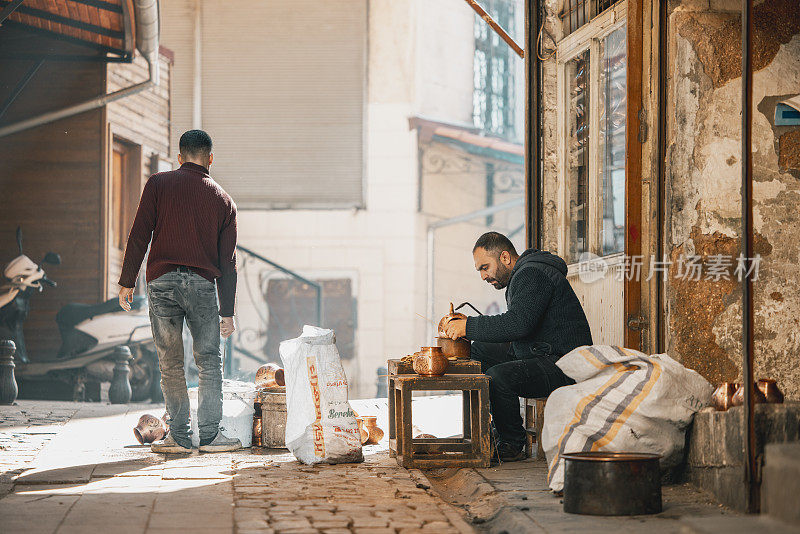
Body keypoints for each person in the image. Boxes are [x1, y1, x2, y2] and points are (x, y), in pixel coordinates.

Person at [118, 129, 240, 454]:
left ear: (179, 156)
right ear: (210, 159)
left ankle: (179, 438)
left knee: (170, 363)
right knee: (210, 363)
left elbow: (139, 234)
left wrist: (127, 280)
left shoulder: (158, 183)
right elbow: (228, 264)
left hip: (161, 284)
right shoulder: (224, 200)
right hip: (202, 286)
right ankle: (212, 437)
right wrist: (227, 312)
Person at [442, 232, 593, 462]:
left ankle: (511, 441)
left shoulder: (532, 273)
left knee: (499, 376)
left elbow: (517, 324)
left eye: (485, 267)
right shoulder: (523, 274)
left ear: (504, 257)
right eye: (480, 270)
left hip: (564, 363)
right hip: (539, 350)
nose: (483, 276)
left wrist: (468, 326)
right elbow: (517, 324)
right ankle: (485, 429)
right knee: (480, 350)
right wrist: (470, 329)